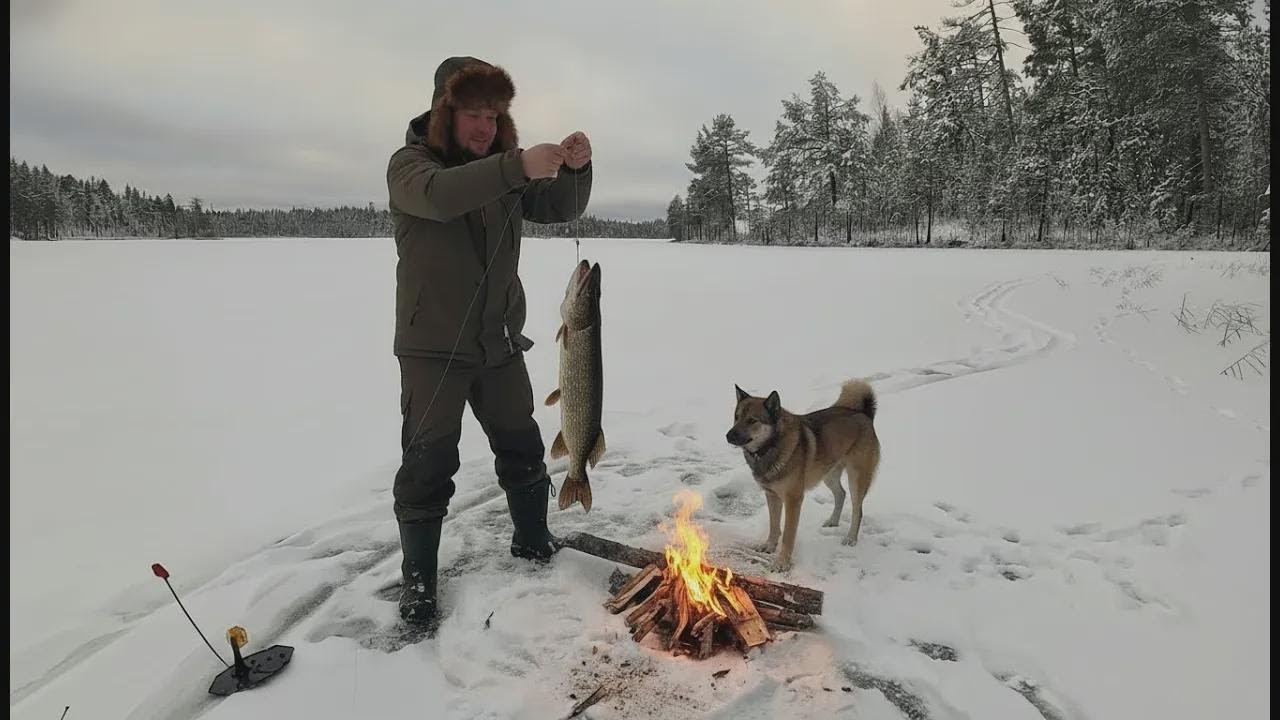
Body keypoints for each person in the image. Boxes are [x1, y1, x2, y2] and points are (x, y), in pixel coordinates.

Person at [385, 56, 593, 626]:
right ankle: (419, 581)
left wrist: (576, 170)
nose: (485, 126)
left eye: (494, 115)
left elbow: (560, 206)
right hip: (432, 352)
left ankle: (533, 539)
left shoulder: (505, 174)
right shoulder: (411, 167)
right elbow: (440, 196)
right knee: (427, 466)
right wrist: (516, 165)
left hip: (498, 345)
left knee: (523, 446)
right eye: (473, 114)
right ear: (443, 112)